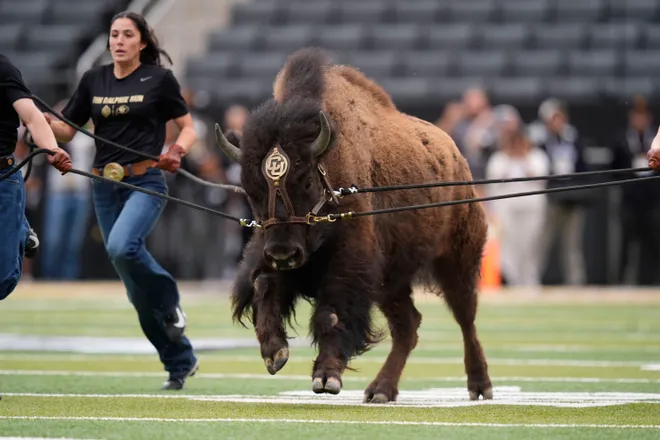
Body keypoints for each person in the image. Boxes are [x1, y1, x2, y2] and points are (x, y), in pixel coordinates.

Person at [43, 12, 199, 390]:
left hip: (145, 179)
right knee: (134, 291)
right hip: (103, 184)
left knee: (121, 247)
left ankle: (171, 300)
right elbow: (68, 128)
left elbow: (189, 127)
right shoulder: (93, 80)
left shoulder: (159, 80)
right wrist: (42, 121)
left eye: (128, 35)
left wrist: (177, 150)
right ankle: (179, 362)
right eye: (114, 34)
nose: (119, 41)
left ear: (142, 42)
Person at [0, 53, 72, 300]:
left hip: (2, 176)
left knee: (2, 279)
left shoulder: (3, 67)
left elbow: (31, 116)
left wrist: (51, 149)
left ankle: (19, 228)